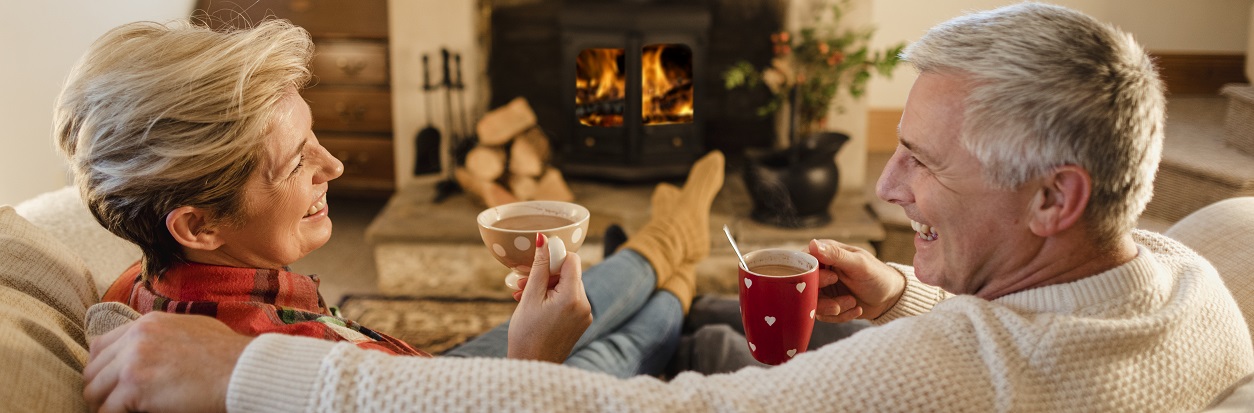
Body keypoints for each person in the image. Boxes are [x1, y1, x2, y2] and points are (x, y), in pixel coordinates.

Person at [84, 3, 1254, 412]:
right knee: (676, 324)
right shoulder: (1191, 285)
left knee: (657, 335)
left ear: (1058, 193)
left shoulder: (962, 364)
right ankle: (669, 243)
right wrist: (905, 290)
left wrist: (245, 372)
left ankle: (664, 241)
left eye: (926, 163)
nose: (889, 189)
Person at [58, 18, 727, 386]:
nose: (336, 165)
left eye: (315, 136)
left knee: (587, 305)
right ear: (198, 223)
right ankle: (679, 250)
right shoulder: (241, 366)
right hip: (466, 398)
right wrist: (531, 366)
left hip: (420, 375)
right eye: (299, 161)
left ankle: (673, 241)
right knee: (611, 353)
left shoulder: (156, 283)